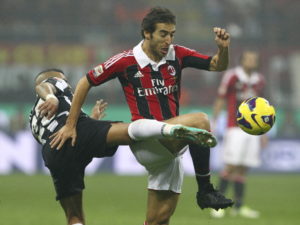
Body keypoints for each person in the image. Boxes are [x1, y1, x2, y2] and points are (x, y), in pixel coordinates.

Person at [51, 7, 233, 225]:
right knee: (201, 121)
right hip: (148, 140)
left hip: (171, 148)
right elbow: (85, 81)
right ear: (147, 33)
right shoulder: (126, 60)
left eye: (172, 34)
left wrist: (223, 50)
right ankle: (205, 189)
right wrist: (71, 125)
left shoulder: (178, 54)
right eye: (163, 34)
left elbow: (216, 65)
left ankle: (201, 188)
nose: (168, 40)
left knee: (159, 220)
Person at [30, 69, 217, 225]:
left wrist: (92, 119)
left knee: (74, 216)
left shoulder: (33, 117)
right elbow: (43, 86)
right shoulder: (55, 83)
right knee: (131, 132)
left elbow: (69, 144)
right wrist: (51, 96)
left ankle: (165, 131)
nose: (66, 82)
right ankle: (167, 130)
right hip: (77, 130)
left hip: (53, 149)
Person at [210, 50, 268, 218]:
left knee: (243, 168)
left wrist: (264, 132)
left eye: (254, 59)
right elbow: (221, 98)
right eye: (249, 58)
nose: (252, 61)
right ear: (241, 60)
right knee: (231, 165)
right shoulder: (232, 76)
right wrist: (214, 122)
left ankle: (239, 206)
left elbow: (263, 107)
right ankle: (217, 205)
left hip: (253, 129)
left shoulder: (259, 80)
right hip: (234, 127)